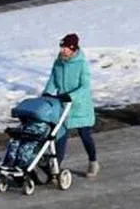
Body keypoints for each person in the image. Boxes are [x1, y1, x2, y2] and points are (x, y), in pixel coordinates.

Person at [43, 32, 98, 178]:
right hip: (63, 106)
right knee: (60, 136)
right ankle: (55, 168)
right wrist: (47, 94)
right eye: (62, 47)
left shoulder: (82, 64)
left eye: (66, 48)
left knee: (85, 135)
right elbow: (53, 80)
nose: (63, 50)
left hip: (80, 106)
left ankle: (93, 162)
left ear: (73, 48)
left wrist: (71, 96)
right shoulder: (58, 63)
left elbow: (85, 87)